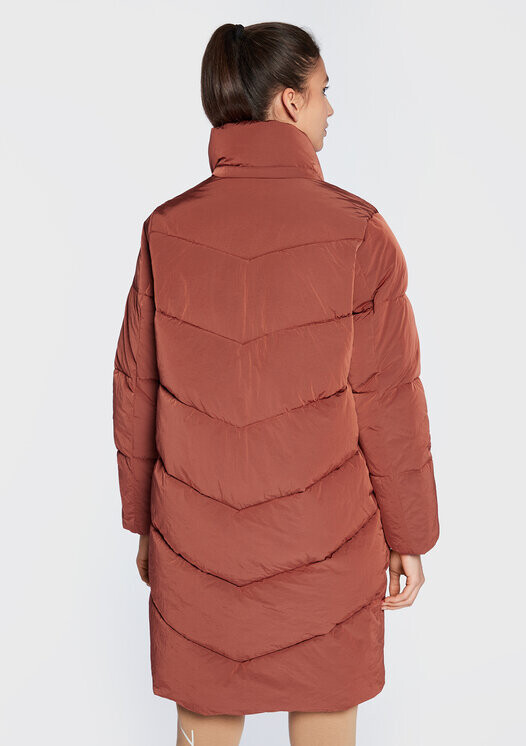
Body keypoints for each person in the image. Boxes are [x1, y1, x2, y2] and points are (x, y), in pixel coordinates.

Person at [112, 21, 440, 746]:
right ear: (290, 101)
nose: (330, 109)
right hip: (325, 551)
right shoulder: (360, 232)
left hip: (195, 546)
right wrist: (409, 533)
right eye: (323, 92)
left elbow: (137, 389)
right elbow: (389, 399)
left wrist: (144, 522)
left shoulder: (166, 230)